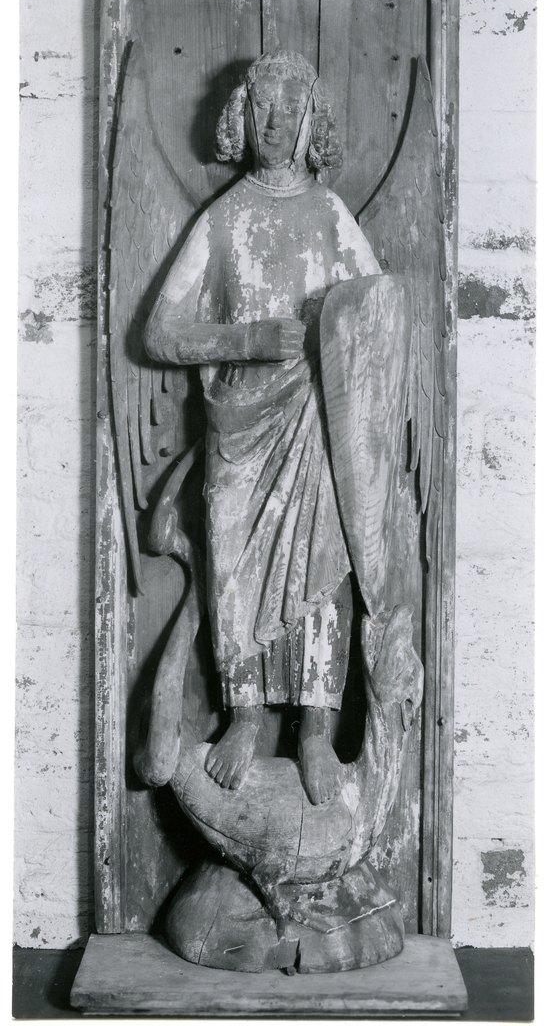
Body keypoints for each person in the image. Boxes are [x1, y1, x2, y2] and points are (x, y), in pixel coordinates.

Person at [144, 50, 381, 805]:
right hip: (238, 425)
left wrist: (331, 333)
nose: (275, 122)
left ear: (311, 119)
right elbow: (160, 332)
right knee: (232, 563)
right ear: (242, 119)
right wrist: (247, 339)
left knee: (321, 567)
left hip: (316, 422)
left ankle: (315, 727)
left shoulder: (330, 216)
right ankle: (243, 714)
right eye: (262, 107)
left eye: (289, 107)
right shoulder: (225, 219)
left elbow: (378, 318)